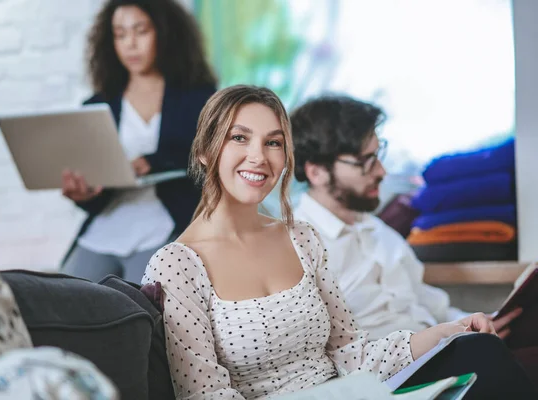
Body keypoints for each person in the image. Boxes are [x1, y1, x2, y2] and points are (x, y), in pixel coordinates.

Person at [141, 85, 536, 399]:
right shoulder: (176, 264)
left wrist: (448, 330)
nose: (258, 156)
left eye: (274, 142)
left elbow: (353, 354)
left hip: (353, 391)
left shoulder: (301, 238)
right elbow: (205, 395)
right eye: (239, 138)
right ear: (206, 152)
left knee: (480, 351)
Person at [290, 94, 538, 386]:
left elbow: (433, 306)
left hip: (439, 351)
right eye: (364, 162)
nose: (381, 172)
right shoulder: (296, 246)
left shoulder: (382, 234)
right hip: (384, 376)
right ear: (316, 171)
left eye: (378, 156)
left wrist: (481, 320)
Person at [61, 0, 217, 284]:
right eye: (120, 34)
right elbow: (97, 189)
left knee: (141, 309)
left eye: (140, 31)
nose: (130, 44)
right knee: (66, 299)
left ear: (164, 33)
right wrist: (84, 195)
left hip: (165, 223)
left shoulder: (198, 97)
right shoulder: (97, 105)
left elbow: (213, 160)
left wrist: (153, 163)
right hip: (107, 226)